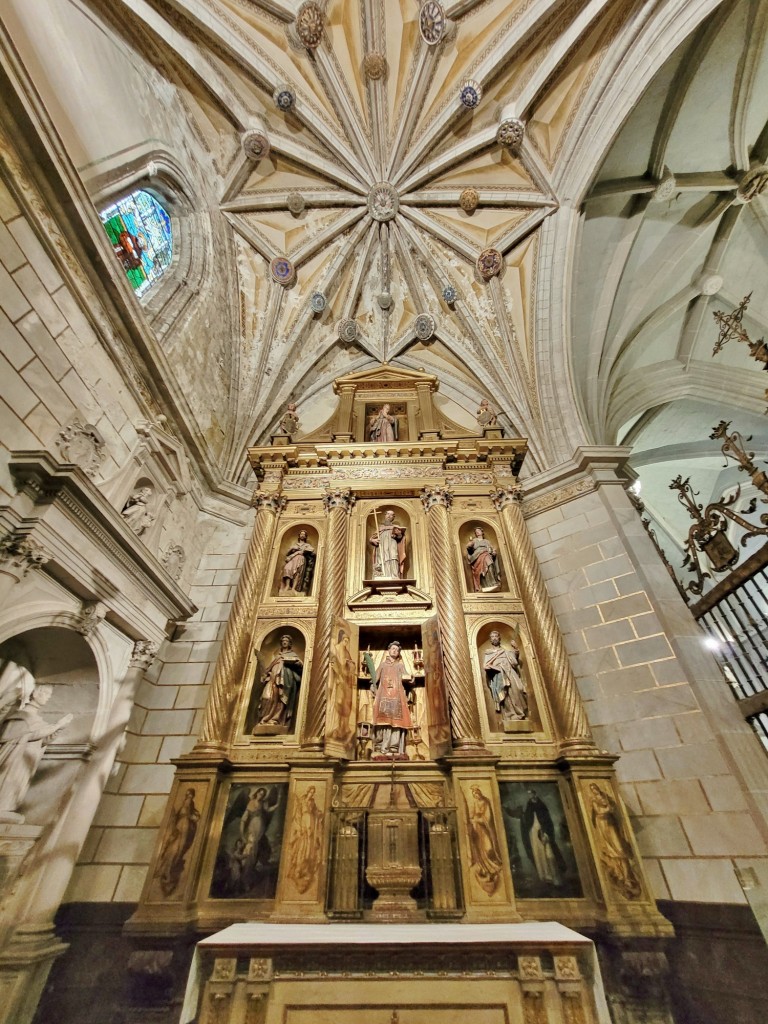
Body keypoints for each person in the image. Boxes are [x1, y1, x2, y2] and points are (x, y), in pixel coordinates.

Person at [0, 685, 72, 820]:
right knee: (7, 784)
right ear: (35, 693)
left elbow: (43, 740)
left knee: (16, 788)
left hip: (26, 763)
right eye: (45, 693)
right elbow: (25, 734)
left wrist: (59, 729)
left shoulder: (38, 721)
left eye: (49, 695)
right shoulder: (20, 716)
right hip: (13, 760)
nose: (48, 697)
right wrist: (57, 725)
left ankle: (7, 809)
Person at [589, 783, 642, 900]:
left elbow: (614, 810)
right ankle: (620, 875)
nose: (595, 791)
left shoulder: (607, 798)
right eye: (592, 789)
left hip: (611, 824)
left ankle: (626, 877)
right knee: (611, 851)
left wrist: (609, 808)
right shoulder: (594, 801)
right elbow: (599, 813)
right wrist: (607, 810)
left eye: (595, 788)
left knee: (620, 850)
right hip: (603, 826)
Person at [370, 642, 413, 759]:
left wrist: (410, 679)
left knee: (396, 722)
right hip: (384, 695)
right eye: (392, 648)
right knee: (382, 721)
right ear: (388, 650)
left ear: (398, 653)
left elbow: (406, 677)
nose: (394, 651)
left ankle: (394, 748)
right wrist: (373, 686)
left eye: (397, 650)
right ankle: (381, 747)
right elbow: (375, 678)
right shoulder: (383, 665)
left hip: (397, 696)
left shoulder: (400, 666)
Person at [156, 787, 200, 896]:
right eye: (188, 794)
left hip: (183, 825)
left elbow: (189, 814)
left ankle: (168, 870)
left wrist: (193, 816)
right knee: (177, 848)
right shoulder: (188, 803)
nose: (189, 797)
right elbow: (187, 814)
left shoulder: (188, 803)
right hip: (183, 826)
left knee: (177, 848)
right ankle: (167, 871)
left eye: (190, 794)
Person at [521, 789, 567, 888]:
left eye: (531, 794)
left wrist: (546, 832)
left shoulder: (541, 805)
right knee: (538, 854)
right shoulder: (529, 806)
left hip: (543, 832)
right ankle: (544, 876)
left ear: (535, 794)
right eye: (528, 795)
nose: (530, 796)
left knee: (549, 854)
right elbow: (527, 820)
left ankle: (553, 876)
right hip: (533, 833)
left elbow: (547, 819)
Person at [256, 635, 303, 728]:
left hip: (285, 681)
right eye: (283, 641)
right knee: (267, 697)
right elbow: (269, 669)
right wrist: (266, 675)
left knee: (281, 699)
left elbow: (300, 665)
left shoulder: (292, 655)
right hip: (272, 680)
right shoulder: (277, 656)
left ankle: (275, 719)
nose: (284, 642)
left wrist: (296, 663)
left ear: (290, 643)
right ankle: (265, 718)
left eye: (286, 641)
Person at [239, 786, 280, 889]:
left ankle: (249, 875)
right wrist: (241, 833)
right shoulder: (251, 803)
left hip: (260, 830)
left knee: (256, 851)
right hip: (252, 829)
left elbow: (268, 810)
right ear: (256, 793)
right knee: (250, 851)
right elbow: (244, 819)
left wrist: (277, 805)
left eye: (262, 794)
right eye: (259, 793)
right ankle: (244, 878)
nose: (260, 795)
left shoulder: (263, 804)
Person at [466, 785, 503, 894]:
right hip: (477, 830)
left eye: (476, 793)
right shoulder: (474, 803)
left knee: (488, 848)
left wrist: (479, 818)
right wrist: (473, 819)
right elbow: (471, 815)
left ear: (480, 793)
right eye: (474, 795)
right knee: (479, 848)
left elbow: (488, 817)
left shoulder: (486, 802)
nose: (476, 796)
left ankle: (493, 866)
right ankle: (485, 869)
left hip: (485, 829)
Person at [286, 785, 323, 894]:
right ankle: (298, 869)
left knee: (309, 847)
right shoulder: (302, 800)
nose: (312, 793)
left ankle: (305, 868)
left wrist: (319, 815)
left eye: (313, 792)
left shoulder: (313, 802)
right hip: (303, 823)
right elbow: (297, 814)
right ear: (307, 791)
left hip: (311, 823)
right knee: (301, 846)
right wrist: (300, 826)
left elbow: (316, 813)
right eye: (311, 791)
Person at [483, 630, 527, 721]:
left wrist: (516, 649)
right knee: (505, 694)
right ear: (490, 640)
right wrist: (495, 667)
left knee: (518, 690)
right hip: (499, 675)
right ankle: (510, 714)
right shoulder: (488, 652)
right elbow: (486, 666)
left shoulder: (505, 651)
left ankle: (520, 712)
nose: (494, 638)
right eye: (492, 637)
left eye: (496, 636)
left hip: (510, 672)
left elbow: (514, 661)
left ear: (499, 638)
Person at [370, 509, 407, 578]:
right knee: (382, 559)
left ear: (393, 517)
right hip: (382, 546)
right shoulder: (380, 527)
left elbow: (400, 539)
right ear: (385, 516)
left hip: (392, 545)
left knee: (393, 557)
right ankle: (382, 575)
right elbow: (372, 538)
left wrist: (399, 534)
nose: (389, 516)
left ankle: (394, 576)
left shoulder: (395, 527)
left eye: (391, 515)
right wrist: (373, 540)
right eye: (388, 514)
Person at [279, 530, 315, 594]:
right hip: (292, 559)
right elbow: (287, 553)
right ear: (299, 535)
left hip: (300, 558)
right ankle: (287, 586)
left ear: (306, 537)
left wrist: (303, 550)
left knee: (297, 573)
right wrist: (292, 548)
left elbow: (312, 549)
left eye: (304, 534)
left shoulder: (307, 545)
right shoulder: (295, 545)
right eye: (301, 534)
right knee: (287, 568)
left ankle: (293, 588)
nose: (302, 535)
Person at [466, 527, 501, 591]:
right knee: (481, 571)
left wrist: (493, 552)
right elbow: (468, 548)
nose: (477, 532)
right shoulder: (474, 540)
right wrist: (469, 545)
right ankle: (485, 585)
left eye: (479, 530)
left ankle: (492, 583)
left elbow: (492, 549)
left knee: (490, 565)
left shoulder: (487, 541)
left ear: (482, 532)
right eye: (476, 531)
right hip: (477, 556)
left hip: (486, 554)